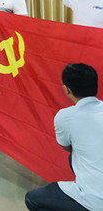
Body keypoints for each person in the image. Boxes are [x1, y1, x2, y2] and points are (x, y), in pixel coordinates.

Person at [25, 63, 103, 211]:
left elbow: (66, 146)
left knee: (32, 199)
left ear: (67, 89)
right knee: (74, 158)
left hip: (94, 200)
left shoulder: (65, 116)